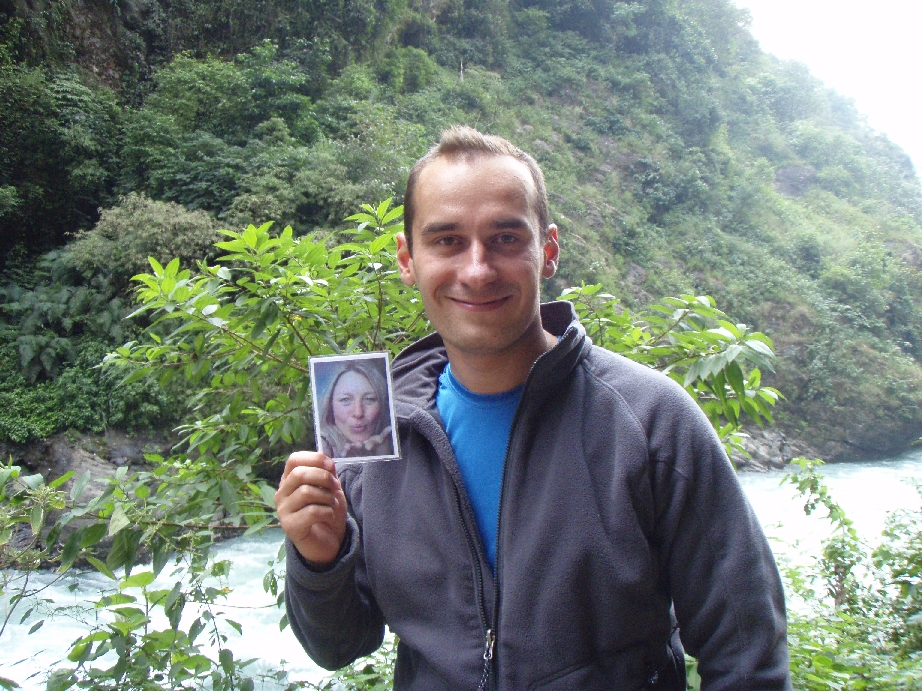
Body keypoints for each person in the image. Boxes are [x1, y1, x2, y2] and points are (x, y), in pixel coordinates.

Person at [274, 126, 792, 690]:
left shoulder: (651, 423)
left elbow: (747, 654)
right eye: (447, 240)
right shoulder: (378, 432)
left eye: (505, 238)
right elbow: (339, 645)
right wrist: (321, 559)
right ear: (407, 258)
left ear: (547, 251)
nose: (477, 270)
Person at [316, 361, 394, 458]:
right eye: (345, 400)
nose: (358, 413)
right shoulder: (318, 447)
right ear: (330, 406)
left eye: (369, 399)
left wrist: (385, 457)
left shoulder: (398, 441)